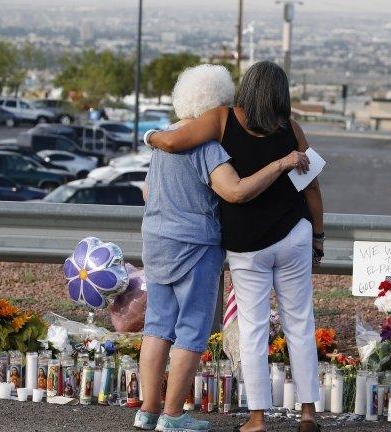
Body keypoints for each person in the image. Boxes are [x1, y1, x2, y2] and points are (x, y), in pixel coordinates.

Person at [146, 60, 324, 432]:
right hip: (293, 234)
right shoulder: (292, 129)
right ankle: (308, 413)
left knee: (253, 328)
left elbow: (173, 140)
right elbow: (312, 187)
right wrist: (318, 237)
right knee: (300, 323)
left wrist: (150, 137)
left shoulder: (223, 120)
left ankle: (257, 418)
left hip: (247, 244)